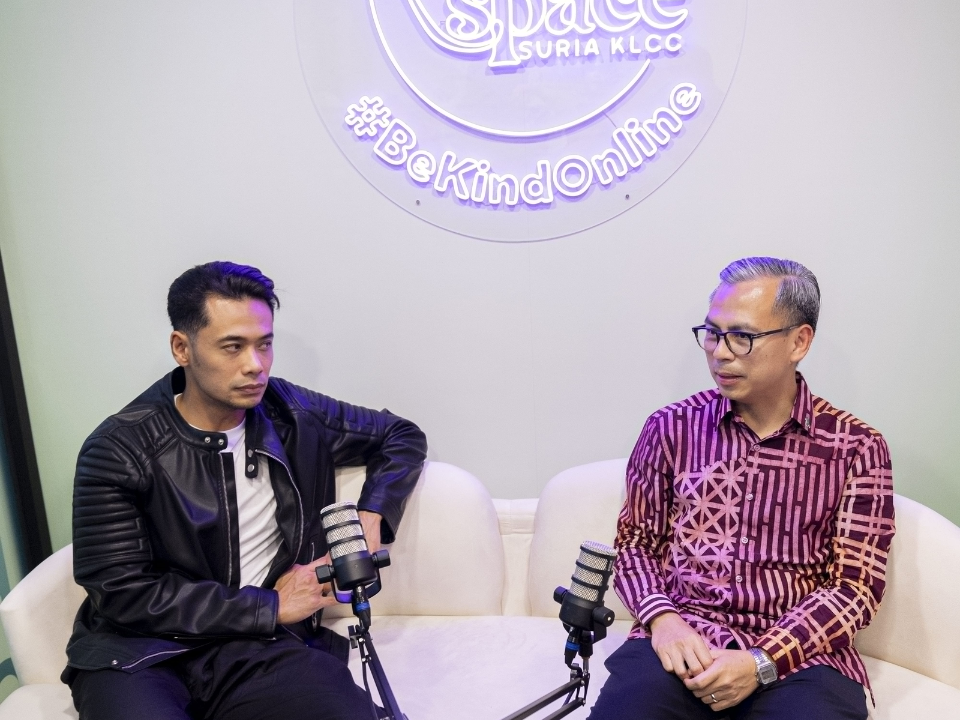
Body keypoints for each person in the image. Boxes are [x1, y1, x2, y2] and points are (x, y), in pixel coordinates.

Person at [62, 261, 428, 720]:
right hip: (138, 655)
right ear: (182, 347)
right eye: (232, 347)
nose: (255, 366)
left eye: (264, 345)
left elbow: (401, 435)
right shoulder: (118, 448)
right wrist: (270, 605)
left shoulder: (292, 413)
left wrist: (372, 514)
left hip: (257, 649)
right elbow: (124, 594)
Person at [588, 257, 895, 720]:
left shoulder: (857, 448)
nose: (720, 352)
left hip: (801, 658)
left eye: (742, 337)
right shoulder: (671, 428)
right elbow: (636, 544)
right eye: (711, 333)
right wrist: (663, 621)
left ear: (799, 341)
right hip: (682, 641)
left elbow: (855, 587)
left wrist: (762, 661)